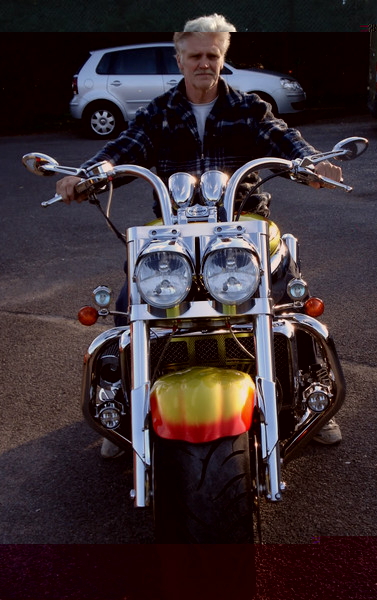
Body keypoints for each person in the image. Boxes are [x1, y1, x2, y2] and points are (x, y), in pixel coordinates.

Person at [57, 17, 342, 453]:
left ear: (223, 57)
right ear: (180, 59)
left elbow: (284, 141)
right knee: (129, 300)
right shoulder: (158, 112)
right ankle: (126, 404)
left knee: (290, 297)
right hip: (173, 227)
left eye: (212, 54)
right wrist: (87, 176)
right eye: (195, 56)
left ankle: (311, 392)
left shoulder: (249, 108)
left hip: (243, 221)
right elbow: (122, 150)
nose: (204, 63)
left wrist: (313, 164)